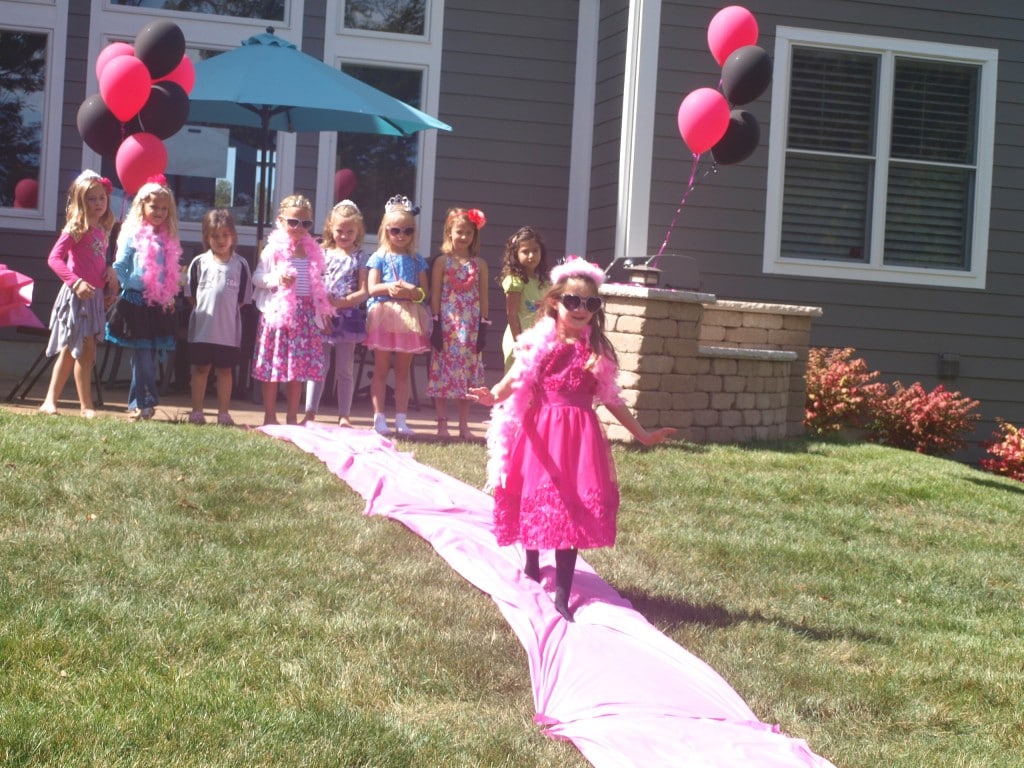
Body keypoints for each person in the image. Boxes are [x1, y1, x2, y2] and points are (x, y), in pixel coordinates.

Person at [468, 257, 676, 622]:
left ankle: (562, 594)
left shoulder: (596, 352)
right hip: (541, 434)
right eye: (573, 301)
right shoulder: (538, 344)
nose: (581, 309)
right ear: (554, 302)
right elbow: (512, 382)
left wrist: (642, 434)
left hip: (580, 438)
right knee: (537, 501)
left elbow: (611, 398)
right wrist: (492, 396)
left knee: (571, 511)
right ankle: (532, 562)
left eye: (590, 303)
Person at [39, 170, 117, 418]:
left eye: (102, 198)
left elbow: (96, 261)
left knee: (83, 351)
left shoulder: (103, 228)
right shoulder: (77, 227)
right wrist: (75, 283)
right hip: (77, 296)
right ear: (81, 201)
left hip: (94, 298)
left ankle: (79, 405)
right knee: (79, 349)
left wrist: (108, 273)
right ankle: (67, 404)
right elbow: (54, 258)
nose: (98, 204)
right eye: (92, 199)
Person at [251, 194, 334, 426]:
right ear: (281, 220)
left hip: (306, 315)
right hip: (278, 315)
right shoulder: (272, 250)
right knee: (274, 367)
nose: (299, 228)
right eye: (293, 222)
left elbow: (318, 284)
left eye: (305, 223)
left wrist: (323, 309)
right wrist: (277, 278)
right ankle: (269, 416)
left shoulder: (313, 251)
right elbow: (257, 278)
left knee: (296, 371)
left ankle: (292, 417)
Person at [107, 175, 182, 420]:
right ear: (142, 206)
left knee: (147, 355)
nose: (159, 212)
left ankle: (137, 403)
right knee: (141, 355)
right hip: (135, 300)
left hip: (157, 303)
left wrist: (169, 295)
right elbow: (120, 265)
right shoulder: (132, 234)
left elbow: (169, 273)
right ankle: (146, 402)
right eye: (154, 207)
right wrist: (114, 283)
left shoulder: (167, 238)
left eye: (164, 208)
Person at [364, 194, 431, 436]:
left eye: (407, 230)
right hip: (384, 313)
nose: (401, 235)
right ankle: (378, 417)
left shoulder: (417, 259)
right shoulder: (379, 256)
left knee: (403, 370)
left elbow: (425, 293)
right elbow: (371, 288)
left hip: (409, 316)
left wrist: (415, 292)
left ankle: (401, 419)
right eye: (395, 230)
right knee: (381, 368)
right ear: (385, 230)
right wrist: (388, 288)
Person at [303, 200, 368, 427]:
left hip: (347, 317)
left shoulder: (360, 256)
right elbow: (314, 282)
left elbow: (364, 291)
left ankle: (344, 415)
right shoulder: (322, 251)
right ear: (330, 227)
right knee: (319, 366)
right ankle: (310, 412)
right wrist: (323, 306)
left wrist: (342, 303)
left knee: (344, 368)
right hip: (323, 315)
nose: (344, 235)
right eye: (340, 230)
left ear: (358, 231)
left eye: (350, 231)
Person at [184, 209, 253, 426]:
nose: (221, 240)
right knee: (200, 369)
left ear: (233, 236)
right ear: (207, 237)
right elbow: (191, 295)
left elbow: (243, 299)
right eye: (215, 236)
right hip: (202, 330)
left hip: (228, 332)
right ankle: (197, 411)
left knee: (225, 371)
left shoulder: (240, 265)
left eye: (225, 235)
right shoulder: (199, 263)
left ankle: (223, 413)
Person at [426, 207, 489, 439]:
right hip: (447, 326)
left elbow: (483, 296)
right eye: (459, 232)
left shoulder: (479, 264)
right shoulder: (443, 262)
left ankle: (464, 425)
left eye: (469, 233)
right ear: (449, 233)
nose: (463, 237)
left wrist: (483, 327)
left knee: (468, 376)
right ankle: (442, 424)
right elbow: (435, 294)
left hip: (471, 327)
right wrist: (435, 322)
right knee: (442, 373)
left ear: (474, 237)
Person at [499, 225, 551, 372]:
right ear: (515, 254)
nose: (531, 256)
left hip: (539, 339)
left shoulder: (544, 282)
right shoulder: (515, 281)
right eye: (525, 251)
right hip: (519, 336)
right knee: (517, 380)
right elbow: (512, 314)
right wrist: (519, 342)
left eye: (535, 251)